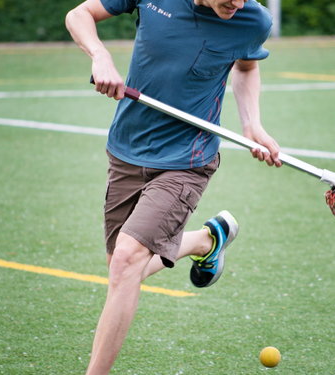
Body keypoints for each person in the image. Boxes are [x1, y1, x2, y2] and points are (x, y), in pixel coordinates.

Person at [65, 0, 282, 373]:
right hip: (127, 148)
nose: (237, 3)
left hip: (188, 158)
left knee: (127, 261)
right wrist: (99, 56)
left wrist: (252, 124)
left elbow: (246, 67)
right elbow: (78, 14)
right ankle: (204, 240)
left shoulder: (252, 19)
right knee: (120, 267)